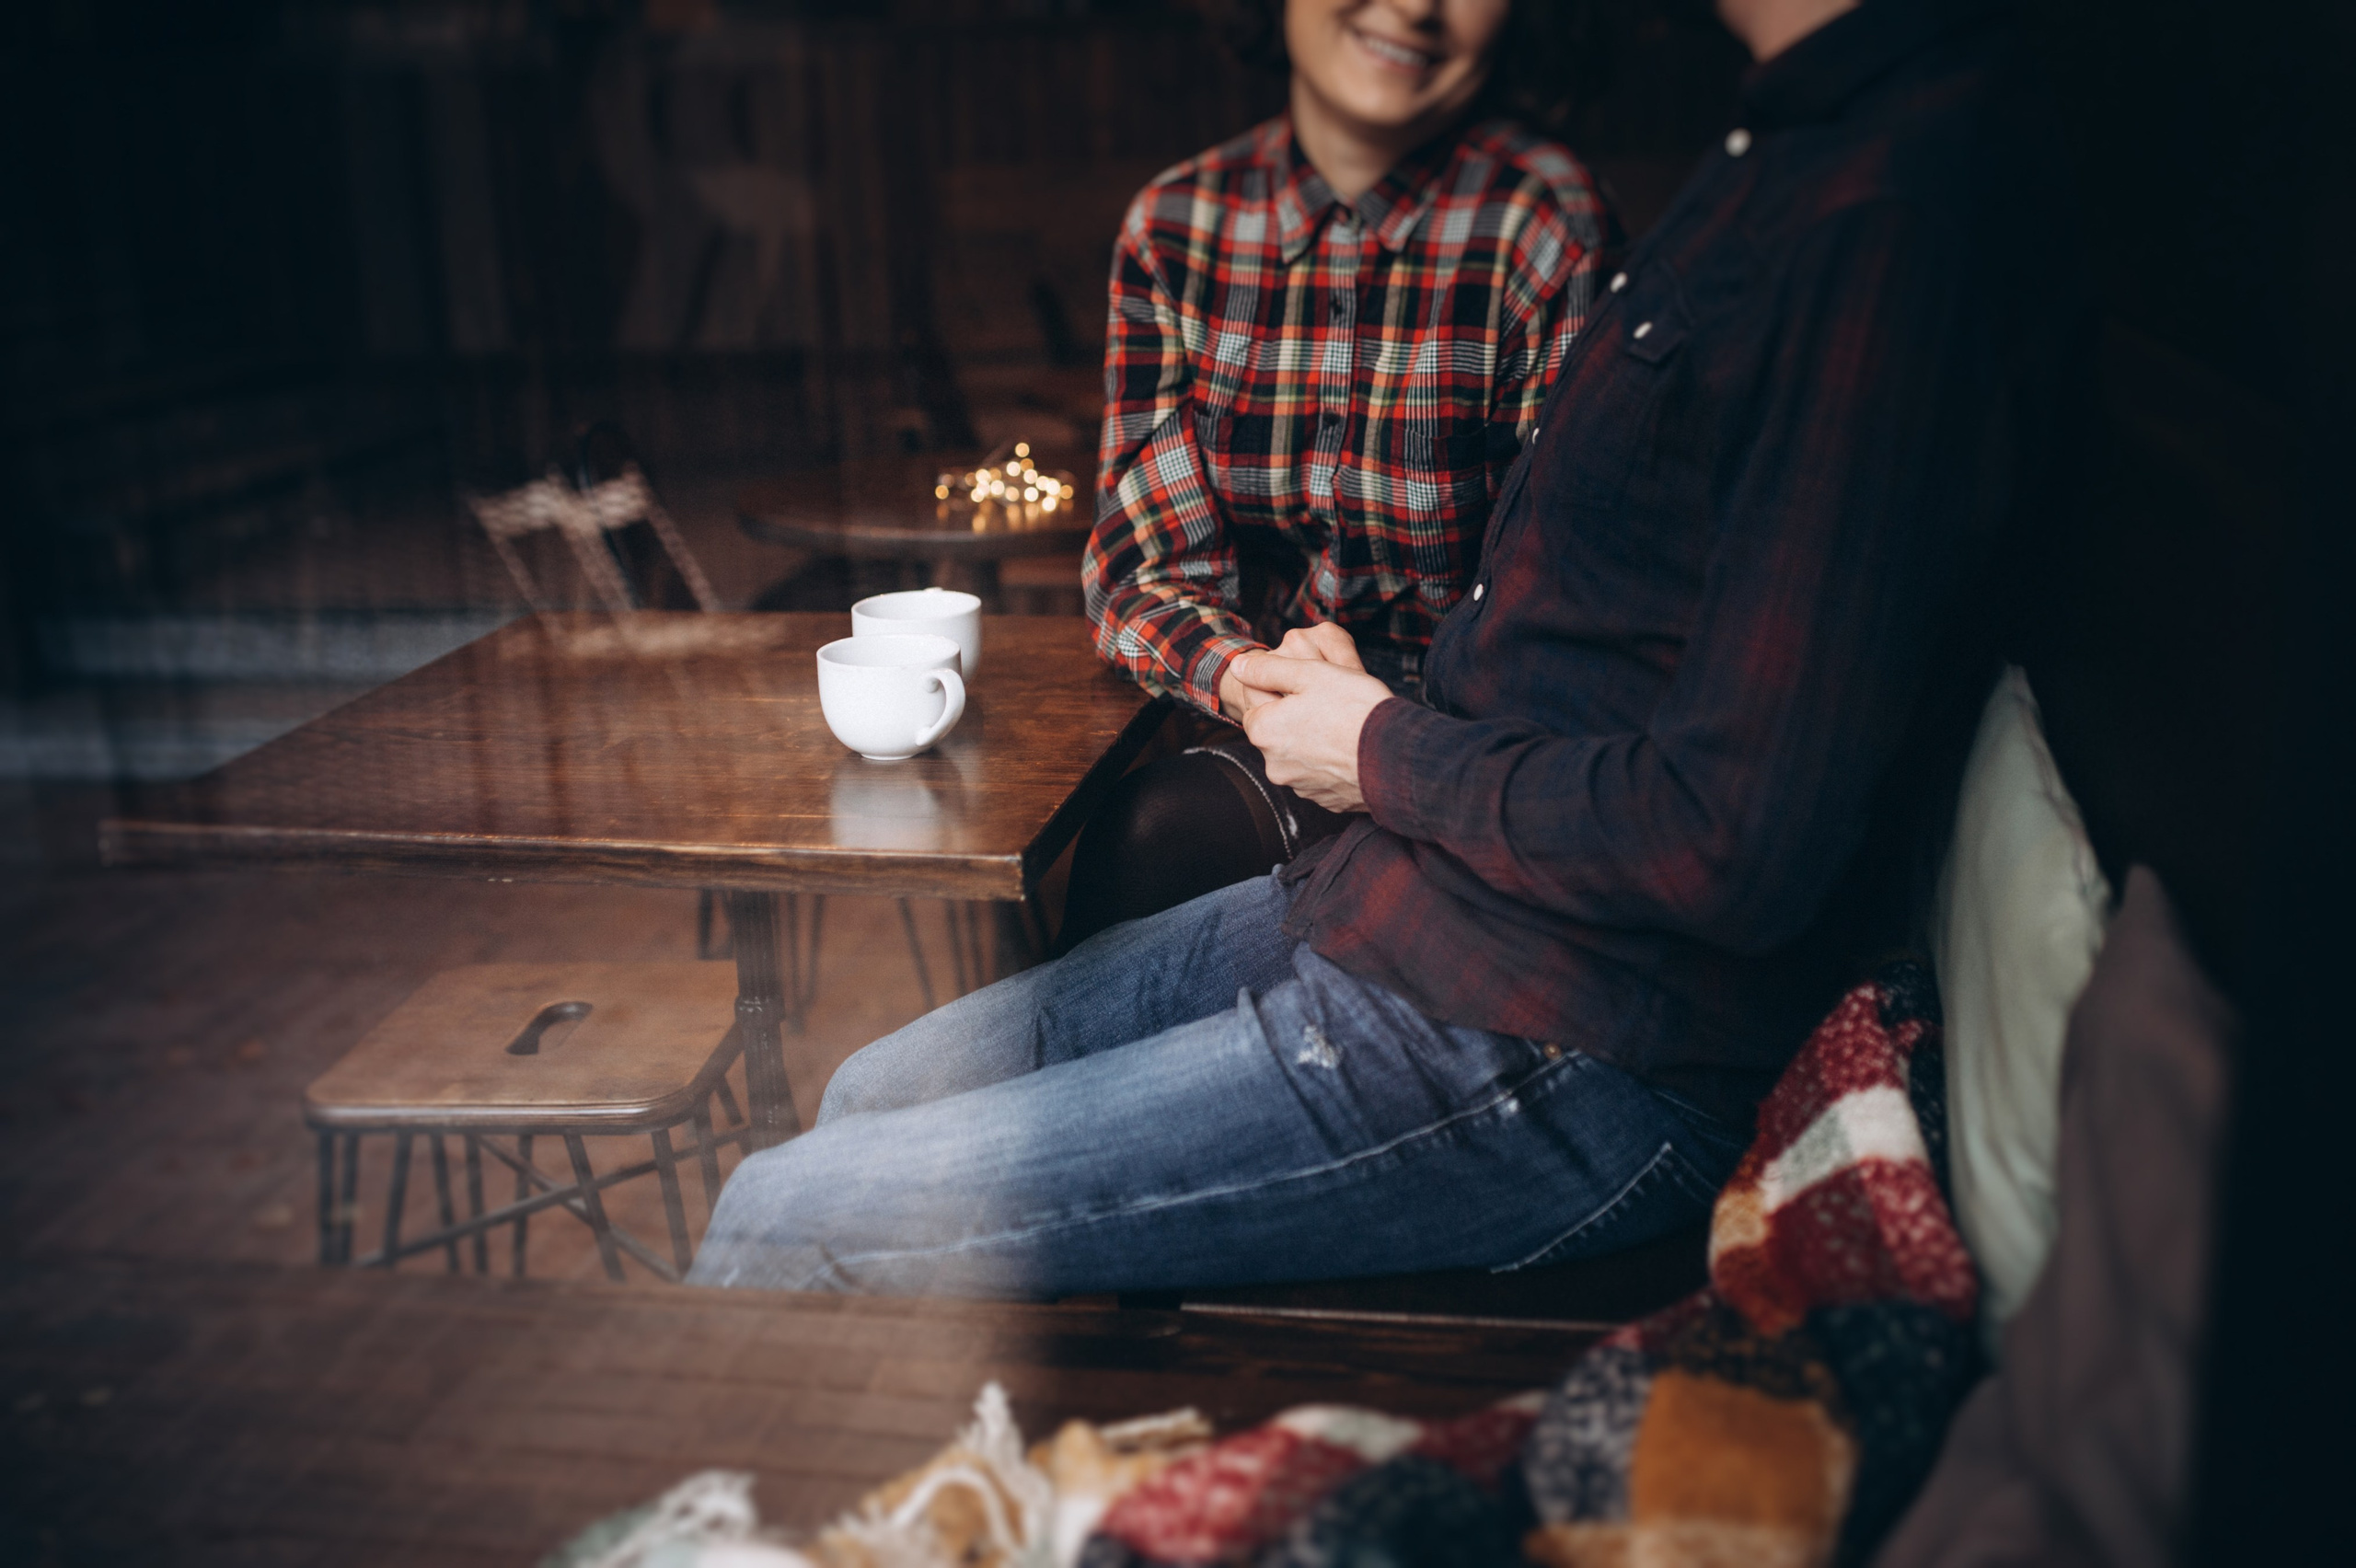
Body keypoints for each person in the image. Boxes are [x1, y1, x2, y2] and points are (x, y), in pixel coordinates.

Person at [689, 0, 2088, 1298]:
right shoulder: (1776, 151)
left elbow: (1725, 828)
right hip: (1412, 878)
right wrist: (1283, 695)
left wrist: (1374, 743)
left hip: (1544, 996)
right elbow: (1157, 571)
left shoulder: (1843, 210)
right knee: (870, 1087)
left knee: (777, 1207)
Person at [1058, 0, 1617, 946]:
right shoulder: (1176, 228)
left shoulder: (1546, 231)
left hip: (1468, 751)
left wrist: (1382, 740)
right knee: (1141, 841)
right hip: (1261, 713)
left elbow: (1564, 619)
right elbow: (1143, 570)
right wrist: (1251, 680)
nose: (1414, 7)